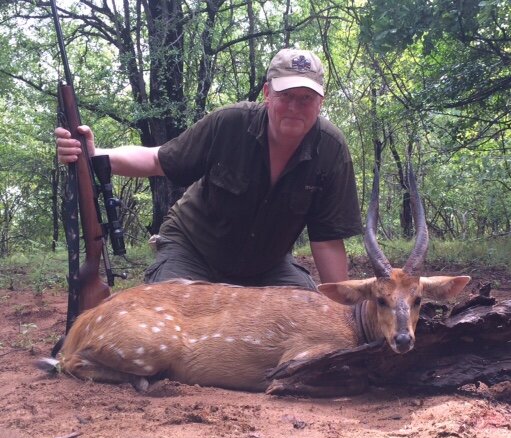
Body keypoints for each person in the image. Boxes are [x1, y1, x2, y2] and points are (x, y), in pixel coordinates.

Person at [55, 48, 362, 290]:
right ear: (268, 94)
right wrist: (93, 154)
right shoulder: (229, 123)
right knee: (174, 314)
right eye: (286, 96)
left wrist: (342, 311)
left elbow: (328, 241)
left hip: (265, 266)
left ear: (320, 102)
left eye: (306, 98)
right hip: (193, 249)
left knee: (309, 318)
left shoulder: (331, 151)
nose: (295, 107)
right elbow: (156, 160)